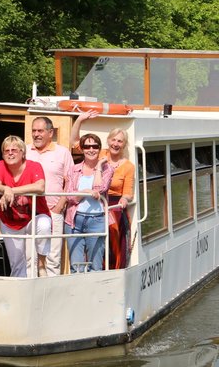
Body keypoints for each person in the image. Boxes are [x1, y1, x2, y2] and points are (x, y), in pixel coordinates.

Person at [70, 114, 136, 269]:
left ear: (124, 144)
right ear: (108, 141)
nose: (115, 143)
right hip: (92, 199)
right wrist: (79, 120)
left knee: (112, 232)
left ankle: (110, 268)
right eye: (113, 139)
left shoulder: (128, 166)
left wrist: (124, 200)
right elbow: (74, 142)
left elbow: (128, 192)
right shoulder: (98, 153)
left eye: (120, 141)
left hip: (113, 204)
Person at [0, 135, 52, 278]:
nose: (10, 153)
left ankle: (41, 265)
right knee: (17, 263)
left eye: (14, 150)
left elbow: (40, 187)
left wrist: (10, 190)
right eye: (6, 150)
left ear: (22, 152)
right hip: (10, 221)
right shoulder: (1, 165)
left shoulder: (34, 166)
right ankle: (19, 292)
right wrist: (6, 189)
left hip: (35, 216)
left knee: (44, 224)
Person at [26, 116, 72, 276]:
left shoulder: (62, 152)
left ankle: (52, 293)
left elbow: (71, 181)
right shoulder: (24, 151)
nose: (36, 134)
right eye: (34, 131)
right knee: (30, 256)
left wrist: (60, 205)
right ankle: (29, 290)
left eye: (40, 131)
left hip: (53, 210)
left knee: (53, 257)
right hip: (28, 212)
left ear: (50, 132)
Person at [64, 134, 114, 272]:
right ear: (81, 149)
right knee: (76, 267)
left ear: (99, 149)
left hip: (96, 220)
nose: (91, 149)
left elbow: (100, 189)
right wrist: (85, 191)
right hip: (74, 220)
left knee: (95, 266)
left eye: (95, 146)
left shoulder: (107, 169)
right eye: (87, 146)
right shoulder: (74, 169)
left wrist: (98, 166)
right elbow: (69, 196)